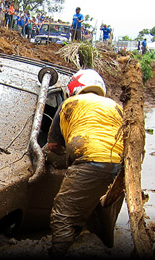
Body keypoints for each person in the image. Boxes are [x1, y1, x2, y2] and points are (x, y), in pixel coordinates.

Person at [44, 69, 124, 258]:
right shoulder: (115, 106)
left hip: (89, 162)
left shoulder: (69, 104)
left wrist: (66, 161)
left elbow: (53, 145)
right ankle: (106, 249)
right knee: (104, 219)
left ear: (74, 88)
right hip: (120, 167)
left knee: (62, 217)